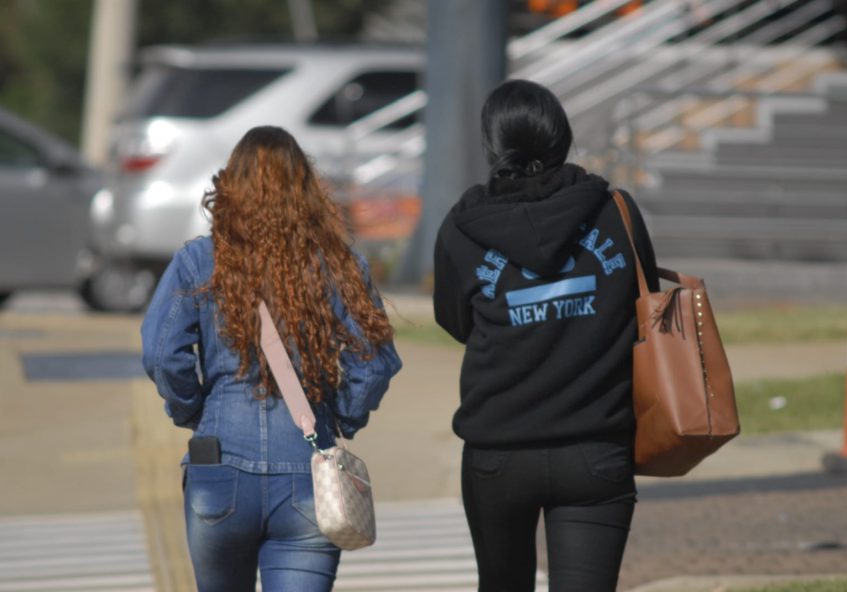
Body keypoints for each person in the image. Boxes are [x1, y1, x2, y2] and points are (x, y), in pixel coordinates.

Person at [141, 126, 402, 591]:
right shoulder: (339, 263)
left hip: (219, 468)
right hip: (308, 473)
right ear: (306, 190)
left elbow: (163, 355)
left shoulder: (199, 262)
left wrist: (193, 411)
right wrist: (341, 415)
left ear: (232, 187)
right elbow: (374, 362)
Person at [433, 79, 659, 592]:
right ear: (563, 138)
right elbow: (641, 304)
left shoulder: (462, 228)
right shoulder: (614, 211)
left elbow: (455, 322)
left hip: (498, 452)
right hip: (595, 449)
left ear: (493, 147)